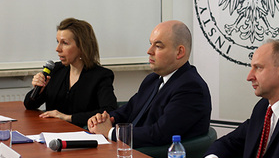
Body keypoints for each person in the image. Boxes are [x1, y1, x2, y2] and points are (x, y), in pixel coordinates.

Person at [87, 20, 211, 148]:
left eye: (158, 46)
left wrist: (110, 132)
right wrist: (102, 120)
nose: (149, 51)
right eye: (151, 44)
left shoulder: (191, 88)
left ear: (179, 52)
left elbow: (160, 133)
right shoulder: (153, 79)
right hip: (132, 152)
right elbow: (128, 111)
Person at [24, 18, 117, 128]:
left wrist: (68, 117)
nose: (58, 49)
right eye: (57, 42)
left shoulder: (100, 76)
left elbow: (109, 111)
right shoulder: (55, 70)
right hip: (52, 135)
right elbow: (29, 105)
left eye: (65, 43)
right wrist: (39, 90)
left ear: (82, 47)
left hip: (83, 136)